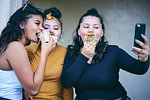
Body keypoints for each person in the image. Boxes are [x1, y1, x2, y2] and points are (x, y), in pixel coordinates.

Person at [60, 8, 149, 100]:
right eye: (86, 27)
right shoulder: (71, 53)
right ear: (79, 31)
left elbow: (139, 69)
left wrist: (144, 58)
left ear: (101, 32)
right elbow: (66, 83)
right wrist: (83, 56)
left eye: (96, 27)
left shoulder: (113, 51)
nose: (91, 31)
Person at [0, 4, 53, 100]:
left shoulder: (10, 45)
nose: (41, 28)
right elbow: (33, 90)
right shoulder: (15, 47)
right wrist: (45, 52)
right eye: (37, 23)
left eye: (42, 25)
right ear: (22, 24)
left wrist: (23, 88)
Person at [25, 7, 73, 100]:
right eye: (46, 27)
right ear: (40, 30)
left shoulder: (66, 53)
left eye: (56, 28)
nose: (51, 31)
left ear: (60, 33)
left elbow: (67, 86)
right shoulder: (28, 51)